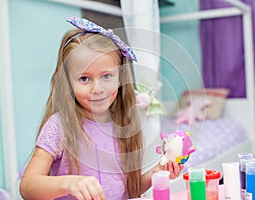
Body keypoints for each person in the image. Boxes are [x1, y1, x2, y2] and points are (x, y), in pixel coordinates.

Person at [19, 17, 183, 200]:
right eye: (84, 79)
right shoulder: (60, 125)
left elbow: (128, 192)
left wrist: (157, 172)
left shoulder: (125, 125)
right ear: (68, 82)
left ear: (120, 77)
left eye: (106, 76)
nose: (97, 89)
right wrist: (69, 183)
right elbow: (27, 186)